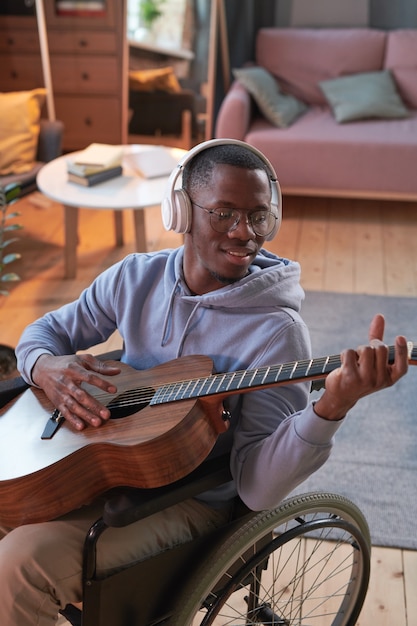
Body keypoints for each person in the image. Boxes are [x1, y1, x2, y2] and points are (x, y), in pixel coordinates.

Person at [1, 139, 408, 625]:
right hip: (103, 461)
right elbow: (46, 332)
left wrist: (329, 411)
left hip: (192, 501)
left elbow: (257, 489)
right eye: (224, 213)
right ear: (181, 211)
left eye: (259, 216)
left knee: (21, 562)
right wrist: (44, 365)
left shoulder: (277, 333)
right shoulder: (136, 277)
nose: (245, 233)